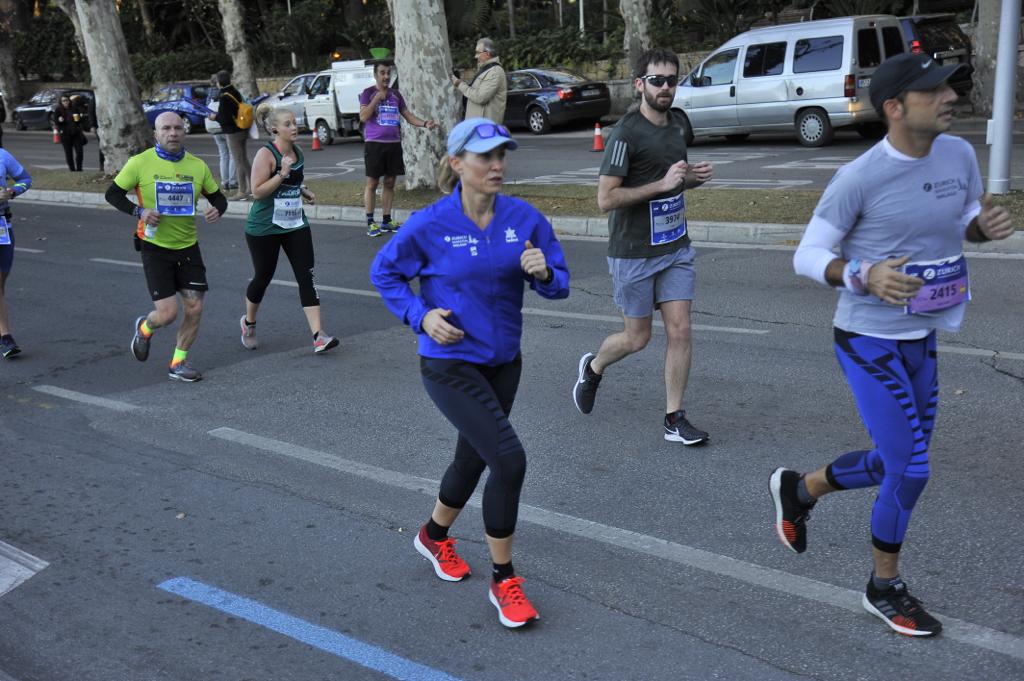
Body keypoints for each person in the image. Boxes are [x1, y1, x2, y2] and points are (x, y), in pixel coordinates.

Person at [772, 53, 1015, 638]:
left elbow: (958, 220)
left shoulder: (958, 153)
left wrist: (982, 229)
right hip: (867, 340)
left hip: (922, 336)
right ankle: (883, 588)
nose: (950, 97)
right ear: (895, 108)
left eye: (948, 87)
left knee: (895, 460)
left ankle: (800, 489)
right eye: (934, 91)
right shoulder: (860, 176)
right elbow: (805, 255)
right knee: (912, 468)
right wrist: (862, 275)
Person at [369, 118, 570, 628]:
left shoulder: (524, 218)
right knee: (509, 460)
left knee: (475, 459)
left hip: (504, 363)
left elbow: (558, 282)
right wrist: (420, 315)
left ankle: (433, 537)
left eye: (502, 155)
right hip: (449, 364)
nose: (497, 165)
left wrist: (543, 273)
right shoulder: (431, 224)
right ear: (458, 163)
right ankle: (504, 581)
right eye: (486, 157)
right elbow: (385, 271)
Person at [572, 47, 714, 446]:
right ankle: (594, 366)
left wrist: (690, 181)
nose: (666, 88)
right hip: (633, 251)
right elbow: (606, 199)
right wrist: (663, 185)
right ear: (640, 84)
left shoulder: (676, 127)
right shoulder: (625, 133)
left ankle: (674, 418)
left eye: (672, 80)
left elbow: (673, 180)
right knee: (637, 338)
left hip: (674, 245)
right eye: (657, 80)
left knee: (681, 329)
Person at [104, 112, 228, 382]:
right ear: (156, 134)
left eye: (178, 128)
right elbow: (112, 194)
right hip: (154, 246)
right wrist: (139, 211)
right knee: (168, 314)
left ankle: (178, 362)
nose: (173, 133)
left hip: (188, 247)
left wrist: (216, 210)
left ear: (184, 132)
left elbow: (219, 198)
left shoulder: (197, 166)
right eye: (166, 128)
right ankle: (145, 327)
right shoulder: (140, 163)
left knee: (195, 308)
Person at [240, 104, 338, 354]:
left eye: (295, 122)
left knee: (307, 275)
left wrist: (302, 191)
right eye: (288, 124)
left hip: (295, 223)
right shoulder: (266, 154)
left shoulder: (297, 151)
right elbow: (257, 191)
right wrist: (282, 174)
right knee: (263, 276)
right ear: (274, 129)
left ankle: (318, 335)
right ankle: (249, 323)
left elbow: (293, 180)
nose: (294, 127)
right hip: (264, 227)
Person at [359, 62, 437, 237]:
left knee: (390, 183)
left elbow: (408, 116)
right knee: (372, 183)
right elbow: (363, 117)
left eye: (388, 73)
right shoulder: (368, 93)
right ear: (375, 74)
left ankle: (386, 220)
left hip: (393, 144)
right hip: (374, 144)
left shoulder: (396, 94)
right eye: (382, 73)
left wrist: (425, 123)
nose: (386, 76)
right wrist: (376, 99)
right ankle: (371, 222)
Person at [0, 148, 32, 358]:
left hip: (3, 227)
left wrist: (11, 192)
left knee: (1, 285)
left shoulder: (3, 155)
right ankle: (6, 337)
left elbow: (25, 179)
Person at [210, 70, 252, 200]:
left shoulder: (224, 96)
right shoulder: (235, 91)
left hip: (233, 132)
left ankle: (242, 191)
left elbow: (225, 118)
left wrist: (214, 117)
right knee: (244, 159)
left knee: (238, 161)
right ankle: (253, 186)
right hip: (242, 128)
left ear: (219, 82)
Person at [449, 37, 507, 124]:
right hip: (478, 127)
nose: (475, 56)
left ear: (487, 54)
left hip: (485, 129)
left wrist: (460, 84)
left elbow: (480, 98)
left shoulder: (495, 72)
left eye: (477, 53)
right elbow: (474, 92)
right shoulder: (486, 70)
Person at [207, 75, 237, 191]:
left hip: (213, 128)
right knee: (232, 154)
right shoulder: (225, 93)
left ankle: (224, 182)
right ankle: (232, 181)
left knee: (223, 155)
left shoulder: (210, 94)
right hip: (225, 127)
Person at [55, 93, 87, 172]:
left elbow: (79, 120)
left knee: (79, 152)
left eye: (67, 100)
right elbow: (56, 121)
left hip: (76, 133)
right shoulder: (58, 110)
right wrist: (59, 120)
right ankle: (72, 169)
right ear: (61, 102)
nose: (66, 102)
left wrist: (78, 119)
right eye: (63, 101)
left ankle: (79, 169)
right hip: (65, 135)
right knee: (69, 154)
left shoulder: (74, 108)